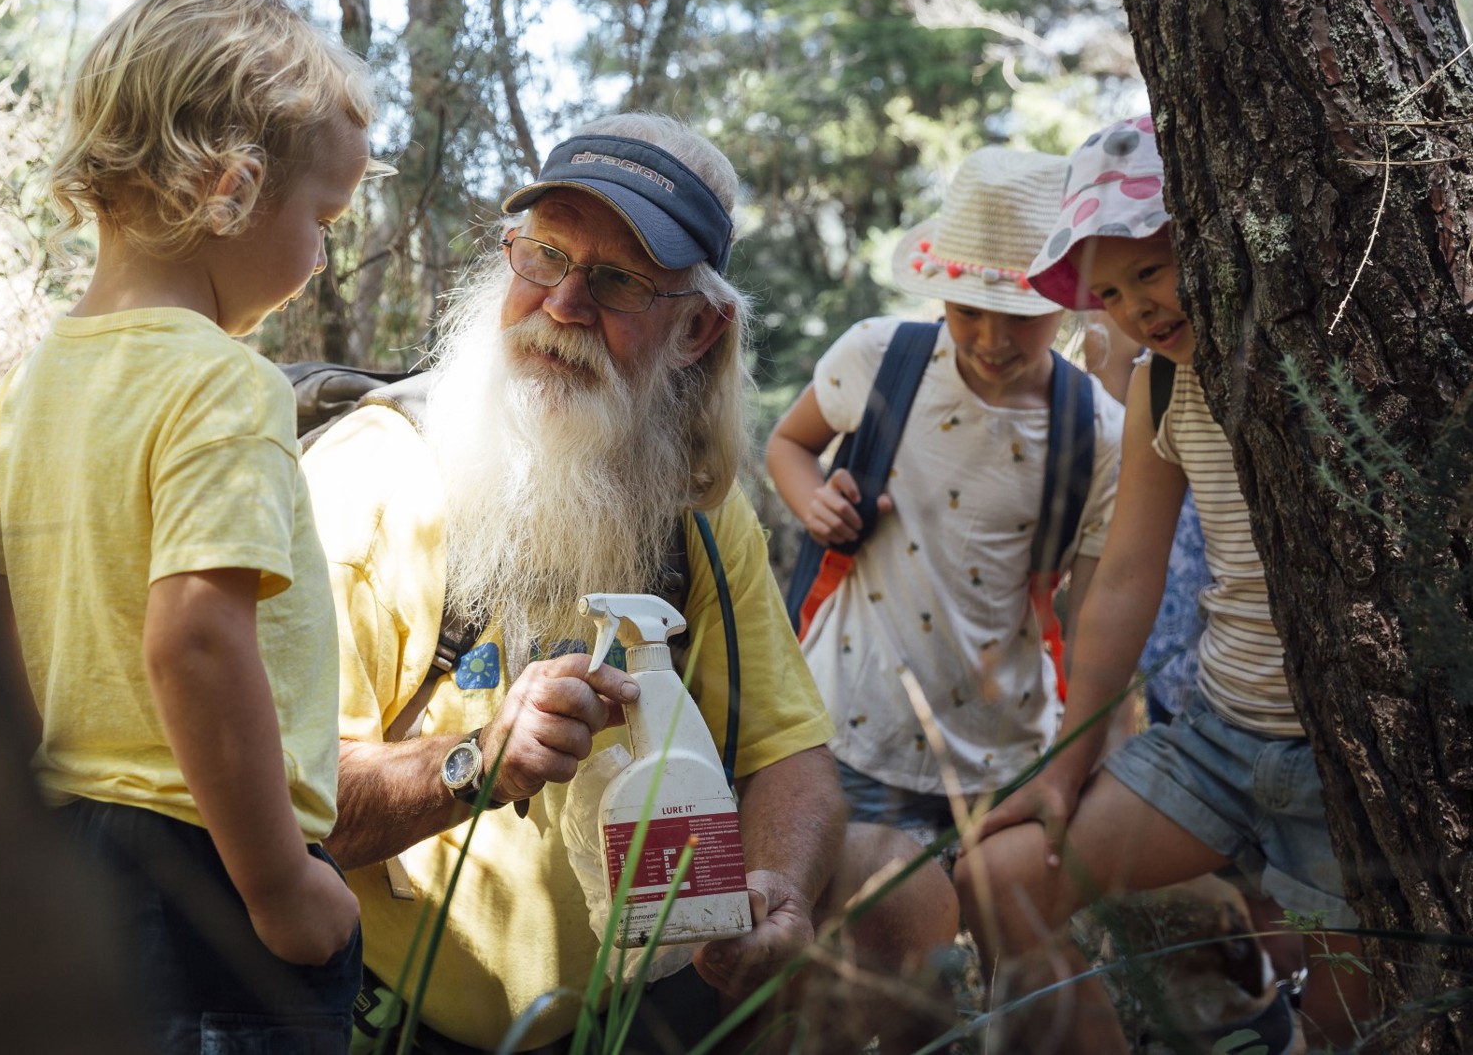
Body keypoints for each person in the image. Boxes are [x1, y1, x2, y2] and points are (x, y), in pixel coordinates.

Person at [308, 114, 958, 1054]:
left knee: (894, 881)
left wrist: (774, 886)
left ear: (697, 327)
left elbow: (791, 752)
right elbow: (278, 804)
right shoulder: (377, 477)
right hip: (403, 1022)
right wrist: (477, 761)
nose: (564, 302)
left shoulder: (691, 503)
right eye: (544, 255)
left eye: (617, 279)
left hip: (651, 1006)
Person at [0, 0, 379, 1050]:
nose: (323, 252)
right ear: (231, 190)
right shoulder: (225, 383)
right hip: (212, 867)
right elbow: (192, 638)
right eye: (323, 218)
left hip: (68, 859)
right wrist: (282, 882)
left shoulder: (32, 385)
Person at [957, 116, 1371, 1052]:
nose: (1135, 306)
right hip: (1219, 739)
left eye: (1150, 269)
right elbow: (1126, 580)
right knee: (999, 874)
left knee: (1350, 1017)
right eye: (1106, 291)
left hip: (1343, 762)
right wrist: (1068, 759)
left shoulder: (1331, 356)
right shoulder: (1157, 386)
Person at [768, 147, 1124, 843]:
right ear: (940, 290)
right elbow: (789, 444)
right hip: (850, 730)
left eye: (1022, 315)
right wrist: (812, 501)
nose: (992, 339)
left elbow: (1093, 616)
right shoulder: (877, 359)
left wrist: (1082, 759)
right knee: (858, 935)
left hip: (1008, 755)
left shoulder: (1097, 432)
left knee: (992, 933)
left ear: (1062, 299)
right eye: (968, 311)